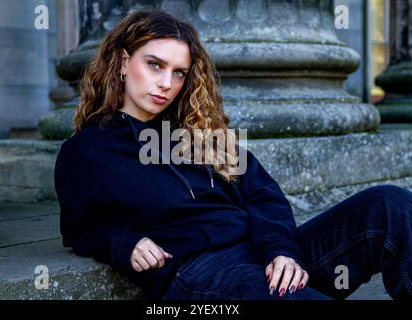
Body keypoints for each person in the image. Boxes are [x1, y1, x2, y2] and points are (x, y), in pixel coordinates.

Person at [54, 10, 412, 301]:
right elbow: (79, 228)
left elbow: (261, 193)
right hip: (202, 273)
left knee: (389, 205)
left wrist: (282, 250)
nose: (167, 83)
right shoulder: (86, 152)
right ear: (122, 61)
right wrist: (122, 242)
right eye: (155, 65)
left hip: (264, 254)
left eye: (179, 72)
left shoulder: (196, 133)